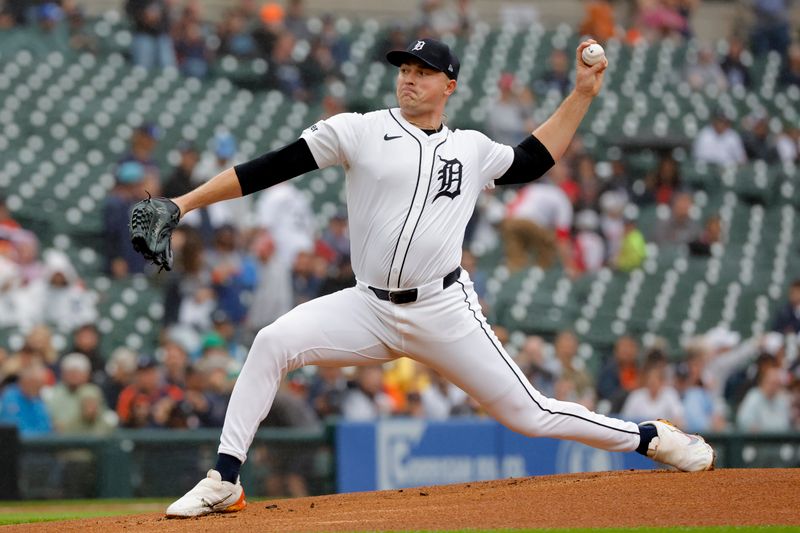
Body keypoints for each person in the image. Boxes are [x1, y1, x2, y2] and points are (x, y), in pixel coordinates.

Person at [137, 38, 714, 518]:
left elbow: (535, 159)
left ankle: (650, 438)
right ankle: (225, 480)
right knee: (271, 342)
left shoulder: (472, 148)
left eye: (423, 71)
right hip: (368, 306)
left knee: (530, 415)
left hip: (444, 310)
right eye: (405, 70)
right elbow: (268, 168)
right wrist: (182, 205)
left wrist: (582, 93)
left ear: (450, 86)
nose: (409, 79)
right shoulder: (358, 130)